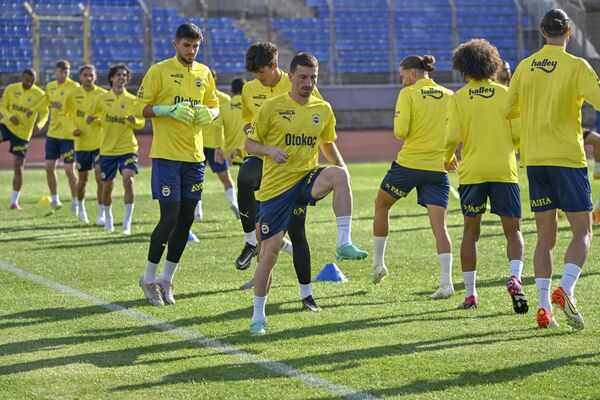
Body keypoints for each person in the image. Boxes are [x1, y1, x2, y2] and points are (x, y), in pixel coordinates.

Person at [245, 52, 367, 335]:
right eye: (303, 77)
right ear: (290, 77)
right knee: (269, 254)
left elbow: (327, 144)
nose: (308, 83)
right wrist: (268, 150)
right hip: (276, 189)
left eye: (313, 78)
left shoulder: (322, 109)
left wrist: (344, 170)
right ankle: (258, 317)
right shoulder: (273, 108)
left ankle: (344, 242)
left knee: (339, 174)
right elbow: (250, 144)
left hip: (305, 179)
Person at [506, 8, 600, 329]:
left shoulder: (524, 66)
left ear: (543, 32)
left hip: (535, 160)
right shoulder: (577, 66)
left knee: (545, 235)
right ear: (569, 32)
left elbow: (510, 110)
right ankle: (567, 289)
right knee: (582, 232)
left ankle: (544, 307)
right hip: (567, 159)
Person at [134, 22, 219, 306]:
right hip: (167, 156)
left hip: (194, 158)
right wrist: (165, 109)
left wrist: (211, 112)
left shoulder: (204, 73)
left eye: (196, 46)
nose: (191, 51)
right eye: (186, 45)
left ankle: (166, 280)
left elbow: (214, 104)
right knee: (169, 217)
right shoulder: (159, 71)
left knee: (186, 220)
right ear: (175, 44)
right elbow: (138, 108)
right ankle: (147, 278)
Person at [446, 39, 526, 314]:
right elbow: (518, 135)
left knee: (471, 232)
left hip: (472, 172)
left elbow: (452, 136)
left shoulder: (457, 98)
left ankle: (470, 295)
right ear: (492, 63)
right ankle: (515, 277)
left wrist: (448, 156)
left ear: (463, 68)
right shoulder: (506, 94)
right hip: (504, 169)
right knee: (513, 231)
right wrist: (507, 147)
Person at [372, 55, 455, 300]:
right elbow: (454, 132)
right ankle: (447, 282)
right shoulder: (449, 95)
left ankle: (379, 264)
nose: (402, 81)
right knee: (440, 227)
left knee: (381, 205)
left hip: (408, 165)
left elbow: (400, 131)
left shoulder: (408, 94)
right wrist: (448, 155)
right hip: (437, 168)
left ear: (411, 73)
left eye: (402, 76)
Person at [88, 63, 143, 234]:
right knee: (107, 187)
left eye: (124, 75)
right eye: (119, 74)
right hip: (108, 150)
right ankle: (108, 217)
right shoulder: (101, 99)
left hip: (128, 148)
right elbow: (90, 115)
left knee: (128, 179)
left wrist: (136, 121)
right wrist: (93, 120)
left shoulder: (133, 100)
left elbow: (142, 123)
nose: (122, 78)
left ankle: (127, 223)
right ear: (112, 78)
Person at [32, 60, 80, 211]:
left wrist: (63, 106)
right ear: (55, 72)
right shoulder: (50, 86)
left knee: (69, 169)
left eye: (67, 71)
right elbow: (44, 102)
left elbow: (78, 107)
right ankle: (55, 199)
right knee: (48, 167)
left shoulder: (75, 87)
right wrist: (32, 111)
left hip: (69, 135)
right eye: (61, 71)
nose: (64, 74)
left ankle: (75, 200)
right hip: (53, 134)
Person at [195, 68, 239, 221]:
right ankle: (197, 211)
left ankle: (234, 204)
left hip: (214, 146)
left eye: (210, 78)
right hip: (200, 144)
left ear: (215, 79)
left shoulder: (224, 99)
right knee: (196, 178)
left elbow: (226, 123)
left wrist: (223, 146)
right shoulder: (198, 97)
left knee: (222, 177)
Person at [64, 64, 107, 224]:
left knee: (99, 177)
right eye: (85, 75)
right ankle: (81, 208)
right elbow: (64, 115)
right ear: (80, 77)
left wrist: (97, 120)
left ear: (95, 77)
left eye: (91, 75)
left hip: (99, 143)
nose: (88, 78)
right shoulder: (72, 95)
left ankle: (101, 213)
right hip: (81, 144)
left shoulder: (102, 94)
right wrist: (72, 128)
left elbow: (108, 117)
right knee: (83, 180)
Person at [0, 68, 48, 209]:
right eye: (27, 80)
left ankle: (14, 202)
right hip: (7, 126)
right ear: (22, 77)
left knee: (18, 166)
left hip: (22, 134)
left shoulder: (39, 94)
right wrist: (9, 116)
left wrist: (40, 124)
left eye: (32, 81)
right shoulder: (11, 89)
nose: (29, 83)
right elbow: (2, 106)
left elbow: (45, 113)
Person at [223, 78, 247, 165]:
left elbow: (218, 130)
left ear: (231, 90)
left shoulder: (223, 107)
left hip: (228, 155)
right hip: (247, 154)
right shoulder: (252, 107)